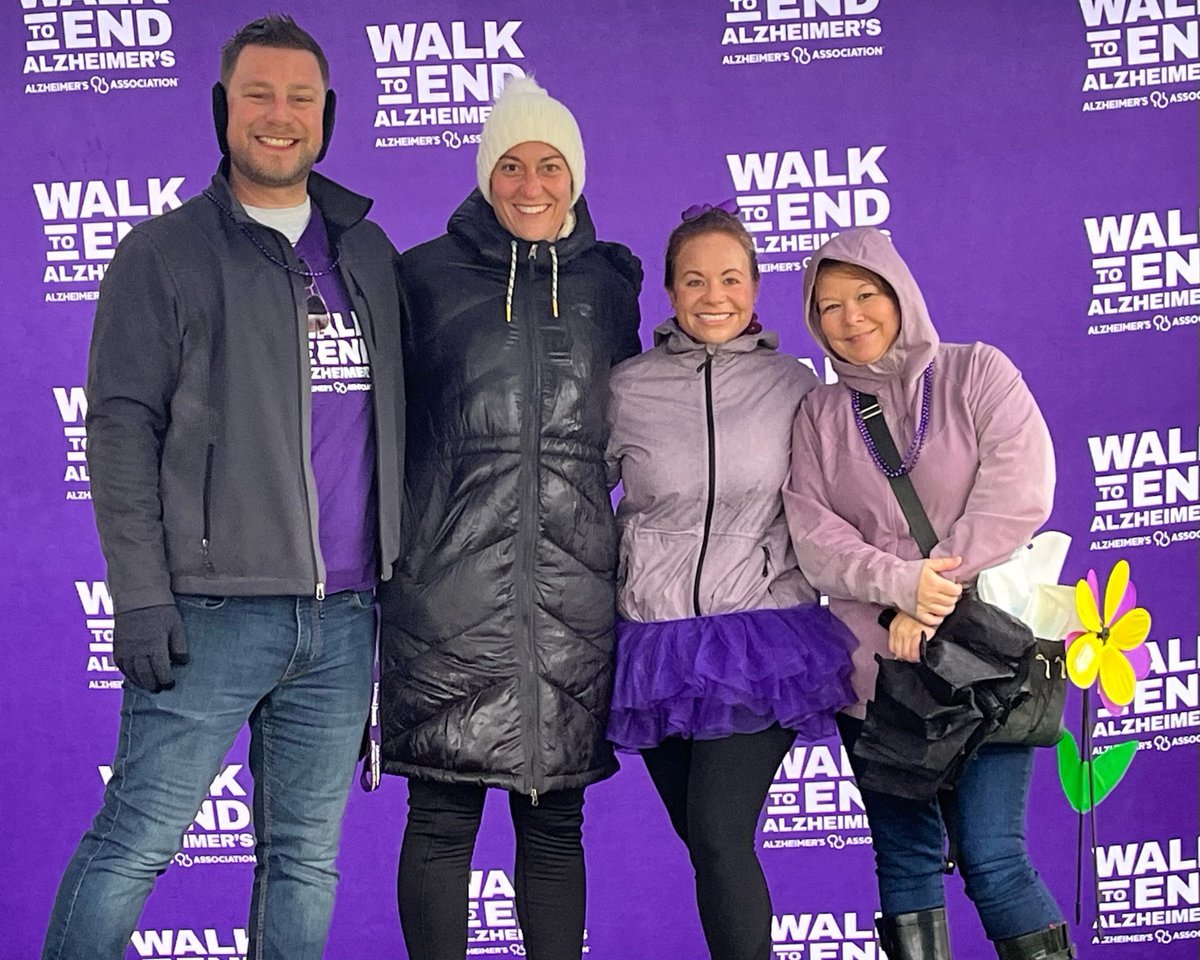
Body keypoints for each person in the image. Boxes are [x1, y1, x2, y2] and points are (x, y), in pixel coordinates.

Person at [41, 16, 404, 960]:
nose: (279, 118)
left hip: (346, 616)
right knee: (135, 846)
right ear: (223, 110)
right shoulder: (162, 253)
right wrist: (142, 593)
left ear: (328, 115)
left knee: (304, 862)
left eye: (300, 99)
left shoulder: (366, 252)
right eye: (258, 96)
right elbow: (119, 431)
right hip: (210, 613)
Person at [378, 76, 642, 960]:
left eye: (551, 167)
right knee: (442, 818)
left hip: (572, 597)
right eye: (512, 167)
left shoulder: (612, 286)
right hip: (446, 593)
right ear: (486, 175)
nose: (532, 187)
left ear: (578, 176)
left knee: (555, 823)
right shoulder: (421, 277)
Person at [783, 227, 1073, 960]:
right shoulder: (819, 416)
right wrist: (900, 586)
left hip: (985, 663)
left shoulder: (978, 373)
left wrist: (931, 592)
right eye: (828, 306)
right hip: (877, 675)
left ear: (899, 292)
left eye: (865, 295)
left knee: (993, 856)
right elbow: (816, 538)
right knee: (906, 860)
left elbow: (1019, 492)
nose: (850, 318)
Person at [605, 205, 857, 960]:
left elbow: (839, 499)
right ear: (671, 291)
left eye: (731, 278)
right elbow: (577, 500)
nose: (714, 296)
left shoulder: (795, 385)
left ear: (754, 286)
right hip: (651, 648)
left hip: (762, 639)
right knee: (705, 839)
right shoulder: (624, 389)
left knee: (718, 835)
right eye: (694, 280)